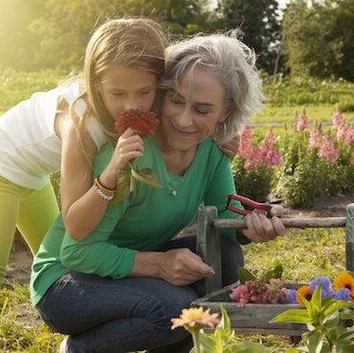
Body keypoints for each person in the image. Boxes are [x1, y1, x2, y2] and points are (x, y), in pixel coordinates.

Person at [31, 33, 287, 353]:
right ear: (161, 93)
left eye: (202, 109)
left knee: (225, 254)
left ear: (225, 111)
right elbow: (77, 252)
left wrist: (251, 225)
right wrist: (159, 264)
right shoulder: (131, 152)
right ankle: (80, 349)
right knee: (178, 309)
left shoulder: (210, 150)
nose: (183, 120)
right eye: (176, 100)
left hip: (121, 271)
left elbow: (224, 215)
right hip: (66, 284)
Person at [0, 18, 169, 353]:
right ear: (95, 84)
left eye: (144, 92)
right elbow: (76, 221)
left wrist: (220, 136)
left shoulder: (148, 98)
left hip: (32, 173)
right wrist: (109, 175)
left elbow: (192, 103)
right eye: (117, 94)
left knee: (63, 268)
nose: (131, 105)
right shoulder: (79, 123)